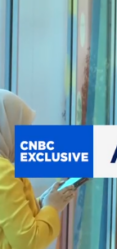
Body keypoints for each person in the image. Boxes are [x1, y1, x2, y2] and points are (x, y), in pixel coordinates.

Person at [0, 90, 76, 249]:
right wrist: (52, 207)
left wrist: (43, 202)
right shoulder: (3, 171)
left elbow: (7, 217)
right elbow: (28, 241)